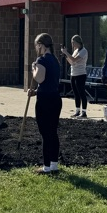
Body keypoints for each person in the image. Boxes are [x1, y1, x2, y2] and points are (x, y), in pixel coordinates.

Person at [27, 33, 62, 174]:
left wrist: (33, 69)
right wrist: (35, 92)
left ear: (41, 45)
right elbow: (49, 83)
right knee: (52, 132)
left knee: (45, 133)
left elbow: (40, 79)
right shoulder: (55, 60)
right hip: (55, 98)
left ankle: (46, 166)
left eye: (37, 45)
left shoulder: (41, 60)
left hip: (45, 101)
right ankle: (54, 164)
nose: (36, 48)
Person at [61, 35, 88, 118]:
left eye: (73, 42)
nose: (72, 44)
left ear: (77, 42)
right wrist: (66, 56)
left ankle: (84, 112)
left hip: (81, 74)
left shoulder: (83, 51)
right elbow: (72, 62)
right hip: (73, 74)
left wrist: (66, 52)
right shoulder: (76, 51)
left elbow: (74, 59)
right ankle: (77, 110)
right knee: (76, 93)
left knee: (81, 92)